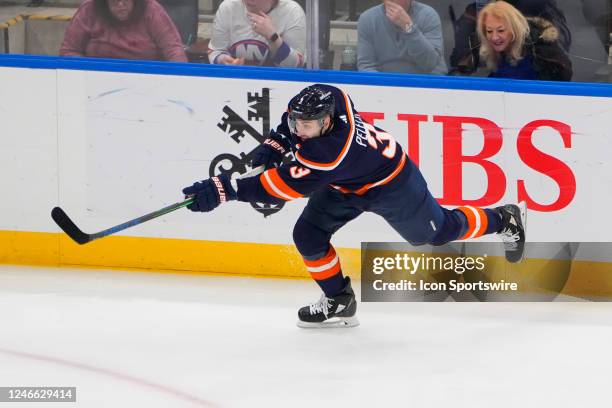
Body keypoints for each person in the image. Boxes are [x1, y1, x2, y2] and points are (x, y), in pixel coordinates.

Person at [181, 84, 526, 328]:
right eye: (298, 124)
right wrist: (275, 141)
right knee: (308, 235)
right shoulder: (333, 99)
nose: (301, 130)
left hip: (392, 183)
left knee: (439, 233)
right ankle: (339, 301)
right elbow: (295, 114)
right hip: (347, 181)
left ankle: (504, 218)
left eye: (308, 125)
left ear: (327, 122)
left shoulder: (325, 153)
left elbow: (274, 189)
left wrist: (223, 189)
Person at [449, 0, 571, 75]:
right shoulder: (475, 12)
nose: (494, 37)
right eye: (489, 31)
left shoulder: (535, 5)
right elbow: (460, 62)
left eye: (501, 30)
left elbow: (562, 70)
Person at [59, 0, 187, 62]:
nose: (120, 4)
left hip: (146, 84)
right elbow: (68, 51)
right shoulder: (89, 10)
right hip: (97, 83)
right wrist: (87, 70)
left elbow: (175, 52)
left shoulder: (152, 10)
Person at [356, 0, 447, 74]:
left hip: (424, 83)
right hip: (384, 84)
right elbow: (366, 66)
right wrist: (384, 87)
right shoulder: (368, 19)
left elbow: (430, 63)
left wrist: (408, 27)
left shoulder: (428, 15)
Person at [208, 0, 306, 67]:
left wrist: (273, 37)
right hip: (236, 80)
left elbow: (296, 65)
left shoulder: (292, 12)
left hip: (279, 83)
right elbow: (215, 50)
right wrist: (222, 59)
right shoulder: (228, 7)